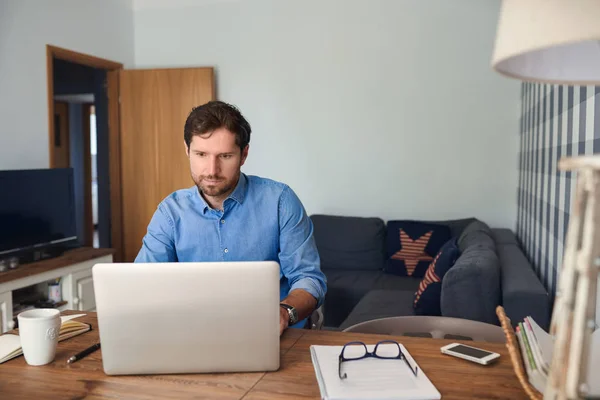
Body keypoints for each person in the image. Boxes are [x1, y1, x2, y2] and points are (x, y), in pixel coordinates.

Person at [135, 100, 327, 335]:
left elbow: (309, 279)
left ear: (244, 154)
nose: (212, 170)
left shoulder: (280, 201)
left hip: (277, 335)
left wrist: (284, 312)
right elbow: (142, 284)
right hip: (194, 333)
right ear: (187, 150)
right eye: (201, 154)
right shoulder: (169, 213)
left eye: (225, 156)